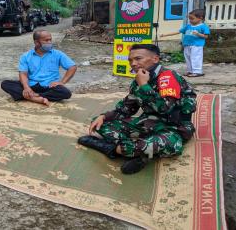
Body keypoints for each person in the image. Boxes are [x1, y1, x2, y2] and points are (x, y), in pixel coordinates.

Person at [78, 44, 197, 174]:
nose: (133, 64)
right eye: (130, 60)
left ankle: (113, 149)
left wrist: (144, 85)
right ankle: (137, 153)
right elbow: (127, 108)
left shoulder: (167, 77)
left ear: (155, 59)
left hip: (174, 128)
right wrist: (104, 116)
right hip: (148, 123)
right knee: (100, 124)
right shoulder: (139, 79)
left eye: (138, 59)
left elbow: (164, 108)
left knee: (163, 145)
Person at [1, 30, 77, 106]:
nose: (49, 42)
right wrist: (26, 87)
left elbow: (72, 67)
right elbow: (23, 74)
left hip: (49, 86)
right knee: (5, 84)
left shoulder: (58, 54)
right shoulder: (26, 56)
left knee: (66, 93)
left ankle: (33, 97)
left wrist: (62, 82)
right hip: (31, 85)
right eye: (46, 40)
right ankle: (36, 98)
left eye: (50, 39)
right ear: (36, 42)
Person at [160, 9, 210, 77]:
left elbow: (206, 36)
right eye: (189, 18)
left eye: (192, 18)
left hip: (197, 45)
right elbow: (179, 31)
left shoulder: (203, 26)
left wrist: (198, 34)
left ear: (200, 18)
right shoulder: (188, 26)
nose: (190, 20)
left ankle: (197, 71)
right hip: (187, 45)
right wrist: (165, 35)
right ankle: (190, 71)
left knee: (196, 58)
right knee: (188, 58)